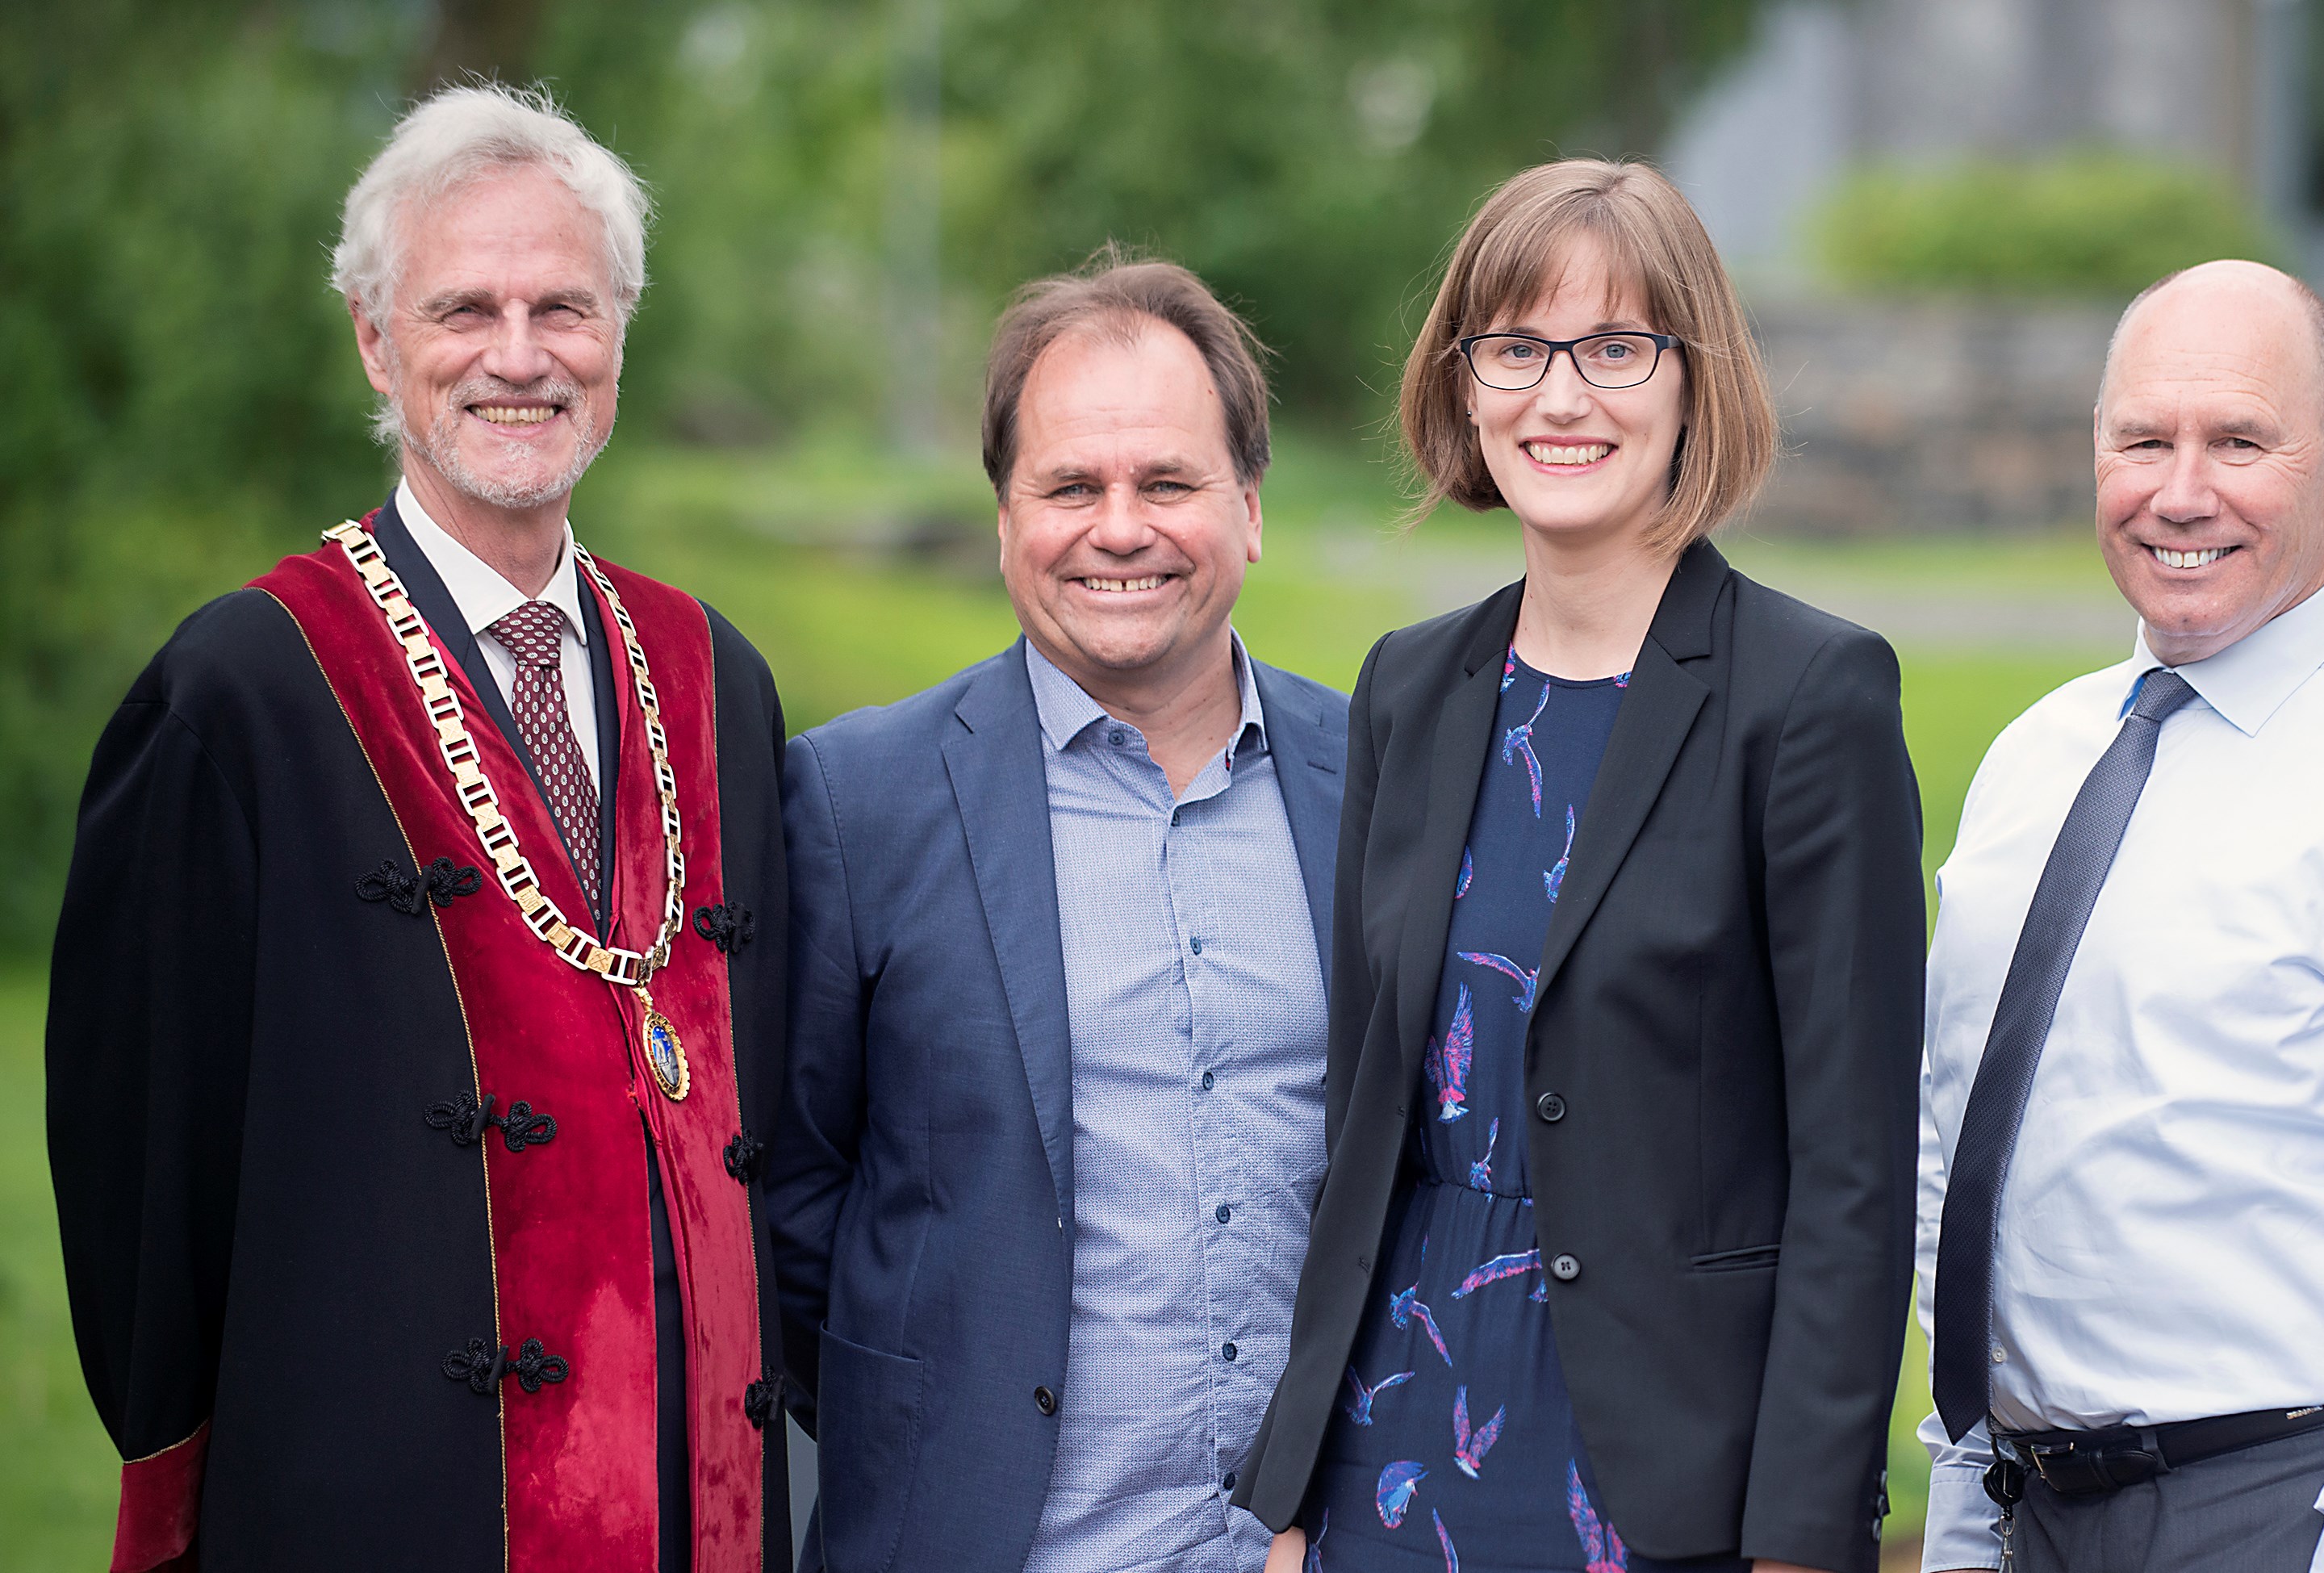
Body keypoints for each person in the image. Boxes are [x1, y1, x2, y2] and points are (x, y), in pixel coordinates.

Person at [45, 84, 794, 1571]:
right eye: (465, 309)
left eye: (564, 309)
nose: (520, 357)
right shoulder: (239, 691)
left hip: (699, 1502)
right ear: (376, 342)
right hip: (376, 1496)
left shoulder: (716, 677)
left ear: (621, 337)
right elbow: (141, 1175)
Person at [1235, 159, 1927, 1573]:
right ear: (1463, 380)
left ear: (1692, 379)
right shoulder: (1409, 687)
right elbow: (1364, 1118)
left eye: (1616, 348)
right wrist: (1301, 1491)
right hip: (1397, 1434)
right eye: (1516, 348)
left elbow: (1854, 1175)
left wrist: (1801, 1539)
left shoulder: (1810, 695)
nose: (1561, 397)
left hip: (1665, 1474)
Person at [1914, 260, 2324, 1573]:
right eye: (2142, 439)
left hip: (2271, 1510)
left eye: (2238, 440)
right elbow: (1958, 1140)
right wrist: (1966, 1484)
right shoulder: (2034, 757)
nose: (2178, 492)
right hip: (2022, 1503)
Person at [766, 252, 1347, 1572]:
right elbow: (793, 1203)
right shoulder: (858, 802)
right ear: (1003, 519)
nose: (1120, 526)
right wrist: (934, 1426)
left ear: (1249, 509)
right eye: (1071, 485)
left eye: (1168, 482)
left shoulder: (1379, 782)